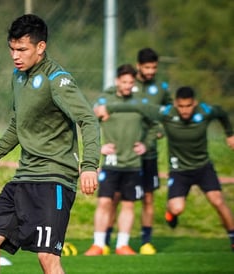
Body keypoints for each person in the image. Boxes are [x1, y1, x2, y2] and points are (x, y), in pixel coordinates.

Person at [0, 14, 100, 274]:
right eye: (12, 49)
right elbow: (17, 127)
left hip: (54, 180)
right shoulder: (18, 77)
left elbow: (88, 120)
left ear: (41, 47)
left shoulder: (57, 80)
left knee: (47, 258)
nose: (16, 55)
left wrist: (90, 165)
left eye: (22, 49)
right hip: (23, 178)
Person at [96, 86, 234, 252]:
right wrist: (108, 108)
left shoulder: (205, 111)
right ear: (176, 104)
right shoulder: (167, 113)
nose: (184, 110)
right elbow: (137, 107)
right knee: (177, 208)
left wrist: (230, 134)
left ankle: (232, 237)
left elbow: (221, 112)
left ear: (194, 103)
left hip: (203, 166)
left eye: (188, 106)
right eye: (181, 106)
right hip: (179, 169)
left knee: (218, 201)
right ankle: (172, 213)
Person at [104, 48, 172, 255]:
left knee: (148, 198)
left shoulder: (161, 88)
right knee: (115, 198)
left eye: (154, 67)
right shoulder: (128, 85)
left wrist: (156, 133)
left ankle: (146, 242)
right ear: (139, 66)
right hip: (125, 154)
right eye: (147, 67)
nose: (151, 71)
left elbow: (167, 112)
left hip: (147, 155)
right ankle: (105, 241)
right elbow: (106, 104)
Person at [84, 64, 150, 256]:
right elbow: (89, 125)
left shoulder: (140, 102)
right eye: (124, 82)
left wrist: (146, 143)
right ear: (117, 81)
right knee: (104, 202)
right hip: (111, 163)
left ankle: (122, 245)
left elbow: (155, 125)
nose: (128, 85)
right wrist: (99, 147)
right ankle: (98, 244)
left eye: (131, 82)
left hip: (132, 163)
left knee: (129, 204)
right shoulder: (105, 101)